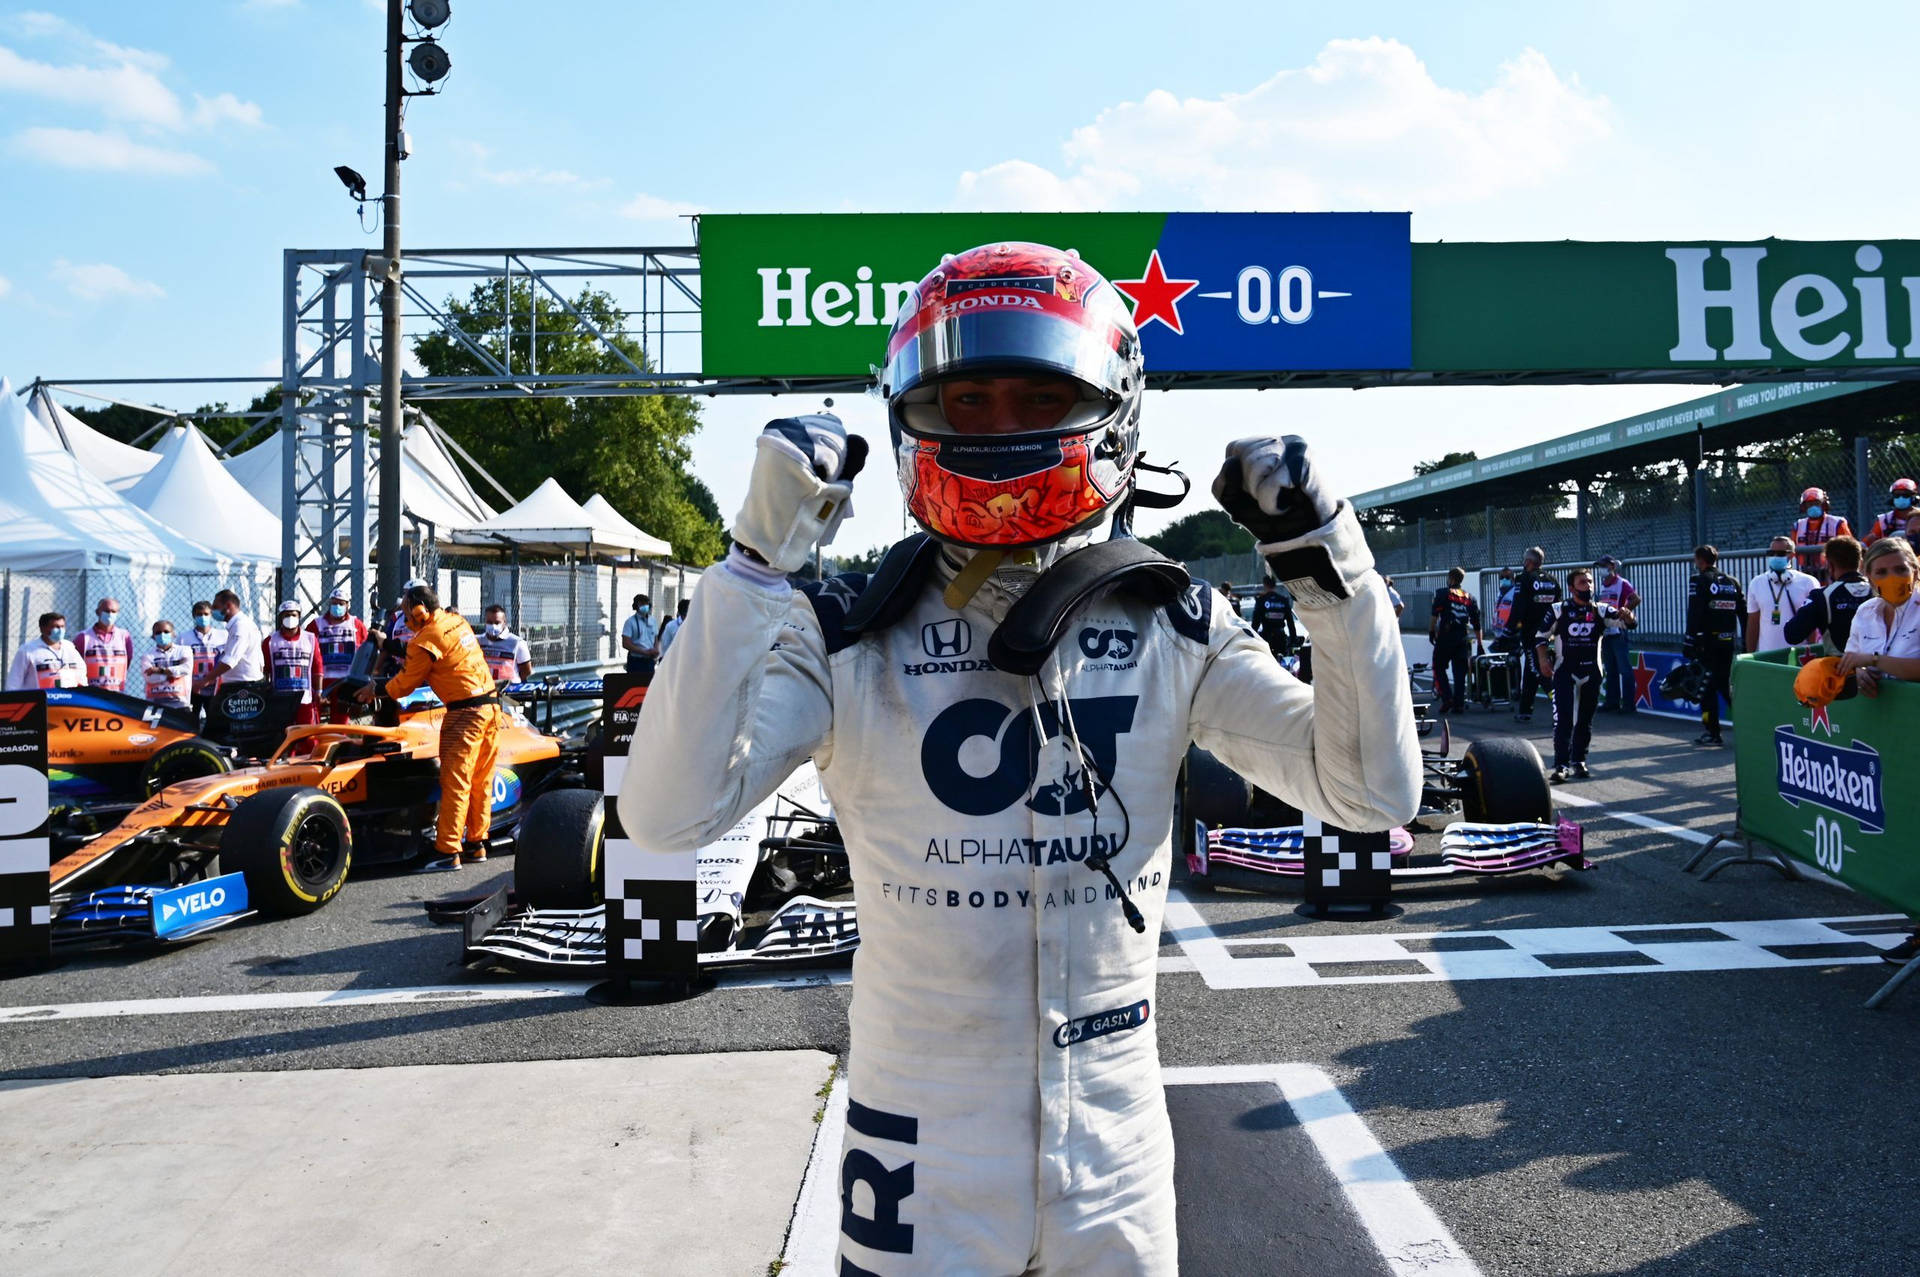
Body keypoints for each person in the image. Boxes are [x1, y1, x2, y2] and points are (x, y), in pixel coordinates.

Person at [618, 241, 1419, 1274]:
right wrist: (752, 567)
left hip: (1116, 1141)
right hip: (917, 1143)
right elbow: (664, 818)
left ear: (1110, 410)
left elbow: (1369, 793)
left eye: (1038, 396)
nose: (997, 427)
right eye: (966, 399)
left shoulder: (1173, 621)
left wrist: (1327, 565)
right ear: (911, 413)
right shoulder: (850, 633)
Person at [357, 581, 503, 870]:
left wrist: (376, 689)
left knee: (456, 782)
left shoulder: (426, 638)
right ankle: (476, 843)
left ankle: (448, 851)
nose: (405, 619)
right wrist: (388, 642)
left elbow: (405, 683)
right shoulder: (455, 621)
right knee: (480, 780)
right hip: (491, 708)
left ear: (420, 611)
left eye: (407, 613)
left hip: (465, 715)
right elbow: (424, 648)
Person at [1536, 567, 1634, 781]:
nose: (1588, 586)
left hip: (1592, 671)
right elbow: (1541, 637)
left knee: (1584, 721)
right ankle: (1561, 765)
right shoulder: (1558, 609)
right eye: (1583, 582)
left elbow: (1627, 623)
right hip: (1565, 671)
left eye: (1590, 582)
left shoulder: (1601, 609)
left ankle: (1579, 761)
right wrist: (1543, 660)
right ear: (1571, 588)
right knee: (1564, 720)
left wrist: (1628, 615)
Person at [1684, 544, 1745, 745]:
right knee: (1725, 685)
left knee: (1706, 687)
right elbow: (1743, 614)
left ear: (1700, 560)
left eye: (1696, 560)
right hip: (1727, 642)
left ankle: (1712, 731)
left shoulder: (1699, 580)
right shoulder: (1732, 582)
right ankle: (1748, 727)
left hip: (1706, 644)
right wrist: (1745, 640)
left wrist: (1690, 639)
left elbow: (1695, 612)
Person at [1784, 534, 1871, 655]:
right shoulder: (1879, 591)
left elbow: (1792, 634)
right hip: (1881, 669)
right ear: (1860, 563)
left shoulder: (1822, 596)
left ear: (1829, 565)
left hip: (1839, 669)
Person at [1508, 547, 1563, 722]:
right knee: (1530, 672)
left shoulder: (1523, 579)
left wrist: (1510, 628)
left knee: (1539, 671)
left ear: (1529, 562)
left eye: (1525, 560)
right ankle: (1525, 710)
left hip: (1531, 633)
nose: (1523, 564)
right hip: (1550, 632)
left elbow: (1518, 607)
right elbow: (1559, 607)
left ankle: (1562, 707)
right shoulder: (1553, 581)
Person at [1747, 535, 1820, 654]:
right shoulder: (1756, 583)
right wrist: (1749, 655)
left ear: (1792, 555)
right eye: (1771, 553)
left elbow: (1813, 624)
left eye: (1780, 553)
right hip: (1767, 655)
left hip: (1799, 654)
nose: (1775, 556)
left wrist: (1813, 651)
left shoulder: (1808, 582)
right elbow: (1753, 623)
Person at [1428, 567, 1482, 713]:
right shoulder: (1470, 597)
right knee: (1460, 672)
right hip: (1463, 638)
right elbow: (1477, 623)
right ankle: (1459, 703)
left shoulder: (1443, 593)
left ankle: (1447, 698)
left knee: (1438, 667)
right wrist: (1480, 643)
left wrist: (1431, 631)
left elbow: (1434, 615)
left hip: (1446, 636)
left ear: (1451, 578)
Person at [1593, 555, 1642, 713]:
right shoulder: (1602, 585)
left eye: (1603, 565)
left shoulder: (1622, 583)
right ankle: (1612, 701)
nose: (1600, 569)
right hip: (1606, 631)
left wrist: (1625, 611)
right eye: (1599, 566)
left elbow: (1635, 598)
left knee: (1624, 669)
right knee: (1610, 669)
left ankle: (1628, 705)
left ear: (1612, 567)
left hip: (1619, 630)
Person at [264, 600, 324, 725]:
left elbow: (317, 667)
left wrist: (318, 691)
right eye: (286, 615)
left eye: (293, 615)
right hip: (280, 698)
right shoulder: (270, 641)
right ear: (280, 618)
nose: (290, 618)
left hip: (305, 699)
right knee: (282, 734)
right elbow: (266, 670)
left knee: (308, 736)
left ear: (299, 617)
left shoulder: (310, 638)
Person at [199, 589, 264, 694]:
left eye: (215, 607)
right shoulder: (239, 624)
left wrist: (205, 680)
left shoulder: (240, 626)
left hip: (244, 686)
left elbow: (230, 660)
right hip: (240, 684)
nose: (213, 611)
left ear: (228, 606)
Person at [309, 585, 369, 696]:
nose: (337, 606)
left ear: (347, 605)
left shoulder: (357, 624)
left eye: (341, 604)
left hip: (347, 679)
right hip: (323, 679)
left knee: (342, 712)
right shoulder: (316, 624)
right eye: (334, 603)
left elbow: (365, 651)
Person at [7, 611, 85, 690]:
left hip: (69, 699)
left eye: (62, 626)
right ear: (42, 628)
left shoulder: (69, 647)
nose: (60, 630)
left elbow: (81, 671)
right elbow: (15, 680)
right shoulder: (27, 650)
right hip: (41, 699)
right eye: (56, 627)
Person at [1789, 486, 1851, 582]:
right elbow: (1791, 550)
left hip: (1832, 573)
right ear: (1804, 507)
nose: (1813, 507)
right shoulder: (1797, 526)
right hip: (1805, 573)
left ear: (1824, 504)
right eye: (1809, 504)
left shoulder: (1838, 523)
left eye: (1816, 503)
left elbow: (1849, 547)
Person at [76, 596, 135, 693]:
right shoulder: (83, 637)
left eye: (113, 611)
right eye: (106, 611)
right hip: (91, 692)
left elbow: (127, 661)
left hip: (117, 691)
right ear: (97, 612)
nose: (110, 614)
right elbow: (76, 665)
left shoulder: (124, 636)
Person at [377, 578, 429, 678]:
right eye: (404, 594)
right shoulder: (397, 616)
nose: (404, 598)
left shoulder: (430, 618)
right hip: (398, 669)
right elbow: (387, 644)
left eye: (408, 595)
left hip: (422, 671)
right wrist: (377, 669)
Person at [184, 600, 226, 717]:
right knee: (191, 719)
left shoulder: (223, 636)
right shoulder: (184, 638)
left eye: (206, 614)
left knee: (215, 719)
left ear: (211, 614)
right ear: (194, 616)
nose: (203, 617)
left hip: (216, 687)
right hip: (194, 687)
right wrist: (192, 683)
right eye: (199, 614)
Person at [141, 620, 194, 708]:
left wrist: (159, 670)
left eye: (166, 632)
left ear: (173, 634)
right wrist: (174, 673)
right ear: (153, 636)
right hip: (155, 703)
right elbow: (149, 677)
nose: (162, 635)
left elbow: (186, 669)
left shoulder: (184, 650)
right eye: (158, 632)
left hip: (180, 703)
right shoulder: (147, 656)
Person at [477, 603, 534, 682]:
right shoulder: (477, 641)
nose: (493, 626)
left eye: (497, 623)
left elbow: (526, 672)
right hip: (485, 690)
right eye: (489, 622)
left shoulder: (517, 643)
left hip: (509, 690)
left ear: (504, 622)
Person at [1250, 577, 1299, 659]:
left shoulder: (1261, 600)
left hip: (1266, 638)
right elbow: (1290, 622)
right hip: (1281, 638)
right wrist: (1293, 639)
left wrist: (1252, 638)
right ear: (1275, 585)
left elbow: (1256, 623)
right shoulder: (1283, 600)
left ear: (1264, 584)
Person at [1865, 477, 1918, 542]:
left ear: (1913, 498)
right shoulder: (1884, 520)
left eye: (1905, 495)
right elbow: (1866, 543)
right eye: (1897, 495)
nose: (1901, 498)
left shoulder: (1918, 516)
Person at [621, 593, 659, 681]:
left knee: (648, 685)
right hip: (636, 661)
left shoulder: (652, 620)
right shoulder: (630, 622)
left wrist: (655, 650)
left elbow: (656, 637)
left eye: (646, 604)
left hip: (650, 660)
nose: (645, 606)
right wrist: (644, 652)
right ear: (636, 606)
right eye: (641, 604)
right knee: (635, 684)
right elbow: (626, 643)